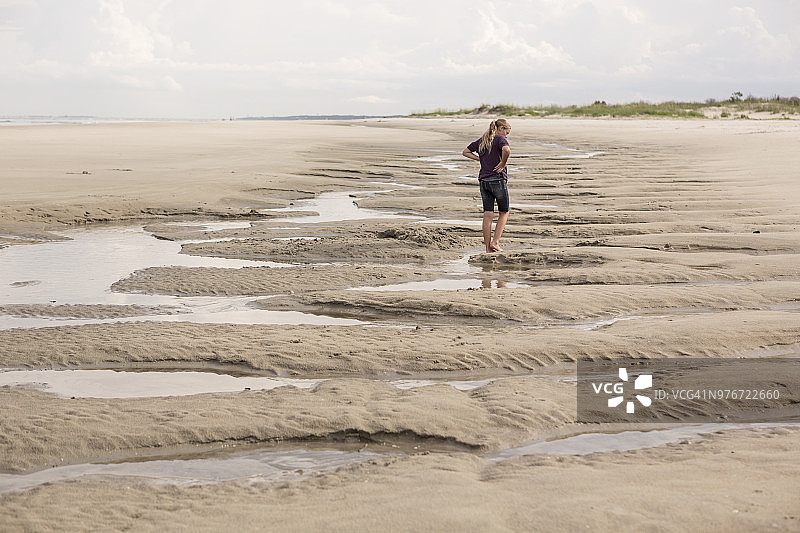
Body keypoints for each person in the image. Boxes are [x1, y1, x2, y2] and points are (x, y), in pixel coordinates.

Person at [462, 118, 511, 252]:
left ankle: (487, 249)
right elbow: (506, 150)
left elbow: (465, 152)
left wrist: (480, 159)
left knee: (488, 214)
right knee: (504, 212)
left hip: (483, 181)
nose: (506, 135)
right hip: (497, 180)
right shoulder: (500, 139)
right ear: (501, 128)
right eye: (507, 132)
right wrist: (503, 163)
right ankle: (495, 242)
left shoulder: (482, 141)